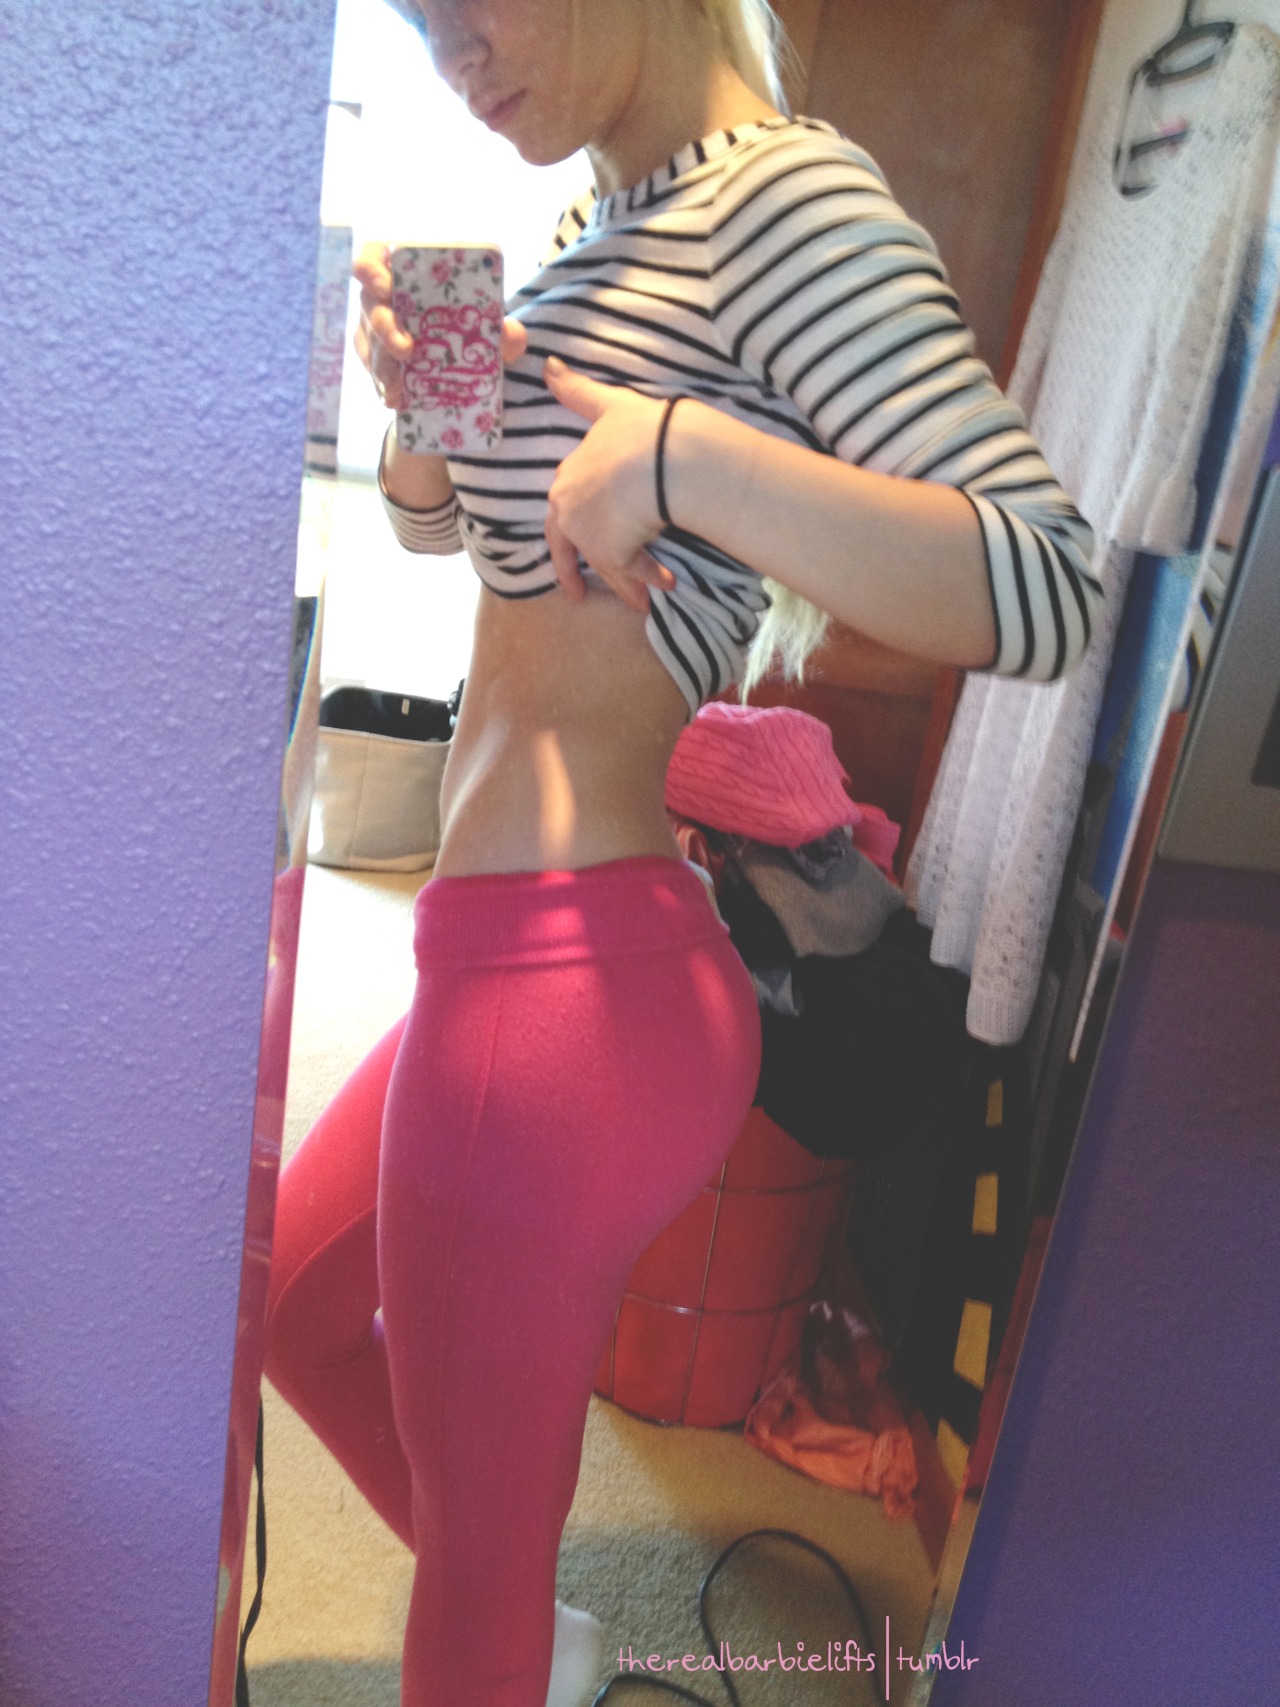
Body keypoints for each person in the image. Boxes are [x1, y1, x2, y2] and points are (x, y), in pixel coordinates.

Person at [262, 2, 1101, 1704]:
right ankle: (534, 1621)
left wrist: (685, 458)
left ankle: (509, 1628)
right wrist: (424, 416)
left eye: (470, 7)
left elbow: (1046, 583)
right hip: (526, 964)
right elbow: (466, 552)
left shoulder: (779, 200)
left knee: (470, 1609)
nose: (454, 61)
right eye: (417, 25)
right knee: (294, 1308)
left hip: (560, 994)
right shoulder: (609, 218)